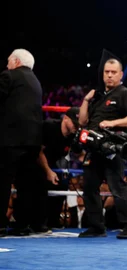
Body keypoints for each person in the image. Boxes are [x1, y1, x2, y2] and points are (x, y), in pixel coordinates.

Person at [78, 50, 127, 239]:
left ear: (121, 74)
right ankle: (97, 227)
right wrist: (85, 100)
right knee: (89, 186)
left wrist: (112, 124)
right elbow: (82, 122)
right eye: (107, 71)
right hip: (94, 147)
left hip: (112, 149)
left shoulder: (124, 93)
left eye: (113, 72)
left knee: (117, 186)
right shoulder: (97, 96)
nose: (109, 75)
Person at [0, 49, 43, 237]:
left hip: (11, 139)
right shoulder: (36, 81)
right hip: (32, 140)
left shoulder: (9, 75)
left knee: (2, 181)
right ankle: (22, 225)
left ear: (16, 62)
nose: (6, 65)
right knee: (26, 183)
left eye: (8, 61)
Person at [36, 107, 81, 230]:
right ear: (65, 118)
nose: (76, 127)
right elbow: (38, 152)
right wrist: (48, 171)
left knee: (62, 183)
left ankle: (53, 223)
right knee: (40, 183)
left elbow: (79, 154)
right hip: (34, 160)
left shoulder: (73, 135)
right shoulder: (50, 127)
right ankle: (38, 223)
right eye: (74, 124)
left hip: (53, 163)